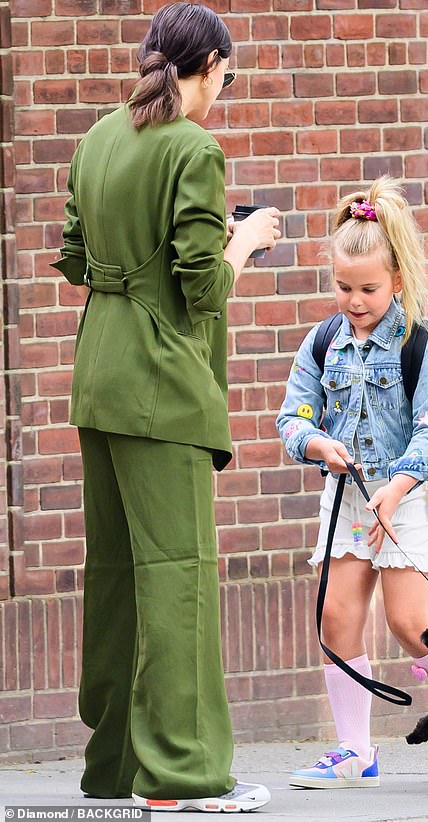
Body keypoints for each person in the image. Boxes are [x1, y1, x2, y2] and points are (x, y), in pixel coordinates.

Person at [51, 2, 280, 813]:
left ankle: (114, 769)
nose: (226, 87)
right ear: (211, 63)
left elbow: (77, 258)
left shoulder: (97, 139)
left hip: (98, 374)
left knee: (116, 578)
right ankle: (182, 776)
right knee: (178, 578)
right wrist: (245, 241)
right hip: (160, 386)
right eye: (230, 74)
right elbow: (203, 288)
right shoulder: (193, 146)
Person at [276, 177, 428, 789]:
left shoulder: (421, 346)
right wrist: (314, 443)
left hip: (405, 500)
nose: (353, 300)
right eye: (343, 286)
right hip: (350, 500)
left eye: (368, 289)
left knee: (413, 624)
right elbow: (292, 415)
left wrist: (397, 489)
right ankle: (355, 752)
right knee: (336, 617)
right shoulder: (322, 341)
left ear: (398, 280)